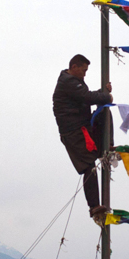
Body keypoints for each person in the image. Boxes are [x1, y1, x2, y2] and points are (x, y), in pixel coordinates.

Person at [52, 54, 113, 225]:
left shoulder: (73, 82)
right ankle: (94, 206)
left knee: (104, 112)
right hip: (73, 132)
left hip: (82, 127)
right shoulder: (68, 82)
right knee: (88, 166)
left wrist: (104, 94)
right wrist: (105, 96)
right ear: (74, 66)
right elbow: (87, 97)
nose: (85, 74)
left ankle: (108, 146)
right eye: (84, 70)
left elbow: (89, 96)